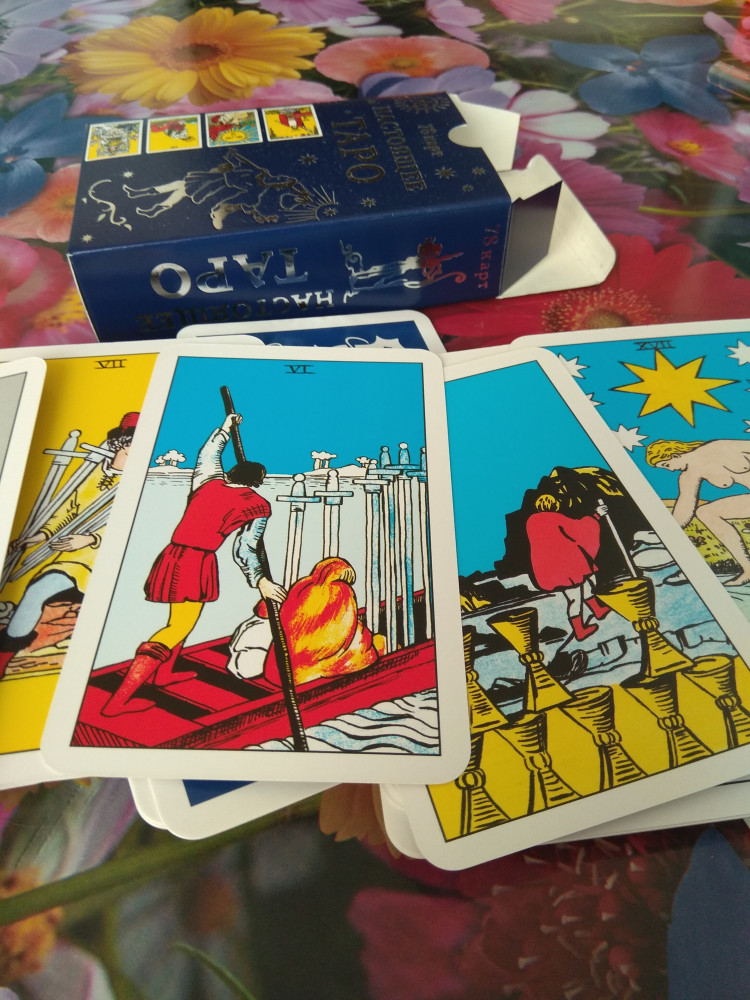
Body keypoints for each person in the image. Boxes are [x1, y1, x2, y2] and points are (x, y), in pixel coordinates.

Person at [102, 412, 286, 716]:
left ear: (231, 474)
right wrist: (261, 581)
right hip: (196, 563)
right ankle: (118, 701)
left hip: (172, 555)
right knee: (178, 625)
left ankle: (163, 674)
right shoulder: (258, 505)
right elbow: (245, 548)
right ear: (258, 482)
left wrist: (225, 429)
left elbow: (208, 455)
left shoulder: (207, 482)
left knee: (183, 618)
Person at [0, 412, 138, 680]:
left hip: (98, 560)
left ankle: (8, 651)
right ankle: (11, 645)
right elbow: (68, 508)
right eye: (132, 445)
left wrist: (90, 539)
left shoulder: (136, 483)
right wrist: (41, 535)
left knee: (38, 590)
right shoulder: (94, 472)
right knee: (26, 585)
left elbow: (128, 525)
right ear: (121, 444)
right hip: (67, 554)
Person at [646, 438, 750, 586]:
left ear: (674, 455)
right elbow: (685, 507)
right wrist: (666, 532)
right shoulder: (689, 475)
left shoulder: (718, 447)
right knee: (706, 512)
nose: (670, 470)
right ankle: (748, 568)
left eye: (666, 464)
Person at [526, 493, 611, 642]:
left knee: (585, 584)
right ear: (555, 504)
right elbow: (579, 529)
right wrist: (597, 515)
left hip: (554, 567)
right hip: (565, 567)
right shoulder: (556, 518)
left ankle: (597, 610)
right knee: (574, 598)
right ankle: (580, 630)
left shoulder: (531, 521)